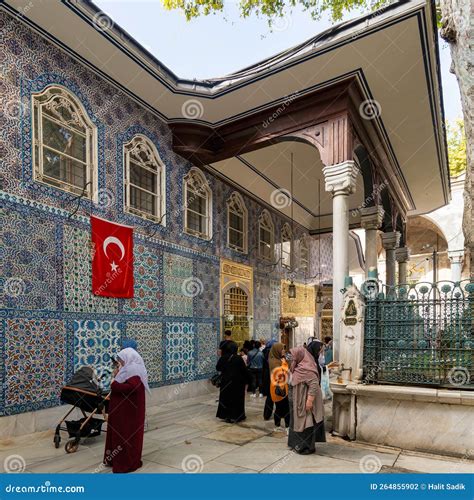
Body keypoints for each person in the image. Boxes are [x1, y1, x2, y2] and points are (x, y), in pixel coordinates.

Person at [104, 347, 149, 473]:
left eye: (122, 360)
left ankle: (124, 462)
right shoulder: (128, 369)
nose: (120, 362)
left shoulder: (133, 369)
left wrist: (114, 383)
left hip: (128, 414)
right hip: (123, 411)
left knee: (125, 436)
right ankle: (114, 458)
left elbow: (130, 388)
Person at [287, 346, 324, 455]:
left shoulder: (307, 368)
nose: (292, 359)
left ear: (300, 356)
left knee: (306, 424)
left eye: (293, 357)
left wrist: (309, 401)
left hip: (305, 401)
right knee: (297, 422)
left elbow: (313, 384)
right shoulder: (298, 366)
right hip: (297, 400)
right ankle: (296, 444)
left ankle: (306, 447)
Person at [216, 341, 250, 423]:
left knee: (225, 399)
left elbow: (218, 368)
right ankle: (237, 416)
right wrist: (248, 380)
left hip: (225, 382)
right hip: (237, 383)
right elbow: (244, 371)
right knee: (237, 399)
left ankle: (226, 416)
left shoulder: (223, 357)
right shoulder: (238, 358)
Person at [269, 342, 290, 431]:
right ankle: (285, 426)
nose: (283, 351)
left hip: (282, 385)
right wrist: (285, 364)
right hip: (278, 387)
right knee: (284, 408)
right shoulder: (274, 362)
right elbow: (281, 374)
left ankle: (280, 425)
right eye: (282, 349)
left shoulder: (279, 360)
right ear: (277, 350)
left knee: (280, 407)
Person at [261, 339, 276, 420]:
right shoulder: (272, 353)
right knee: (276, 395)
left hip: (266, 376)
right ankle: (279, 414)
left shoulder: (264, 352)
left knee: (270, 396)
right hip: (273, 376)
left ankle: (266, 414)